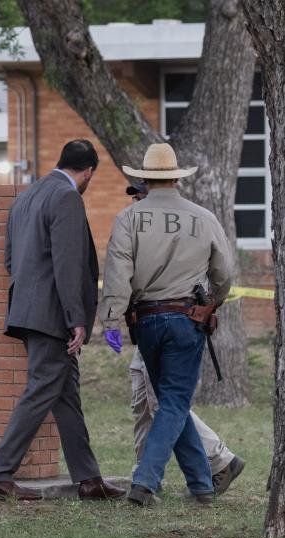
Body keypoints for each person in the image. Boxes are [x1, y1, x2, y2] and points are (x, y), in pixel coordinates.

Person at [0, 139, 125, 501]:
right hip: (52, 315)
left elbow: (11, 261)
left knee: (66, 394)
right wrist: (76, 319)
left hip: (28, 311)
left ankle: (89, 479)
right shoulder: (66, 197)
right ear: (88, 171)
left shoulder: (26, 197)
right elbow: (67, 263)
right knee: (43, 388)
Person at [100, 143, 233, 506]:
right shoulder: (203, 217)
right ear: (176, 177)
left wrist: (110, 320)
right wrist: (213, 303)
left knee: (171, 402)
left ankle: (201, 486)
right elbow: (225, 274)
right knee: (174, 402)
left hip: (145, 321)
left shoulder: (129, 218)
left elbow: (117, 274)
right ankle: (144, 483)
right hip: (186, 319)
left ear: (144, 177)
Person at [123, 183, 245, 495]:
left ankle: (150, 478)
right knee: (155, 399)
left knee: (167, 401)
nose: (137, 200)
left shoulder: (175, 221)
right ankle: (201, 480)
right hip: (155, 319)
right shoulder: (141, 220)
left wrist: (209, 304)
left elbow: (221, 272)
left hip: (163, 317)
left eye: (141, 194)